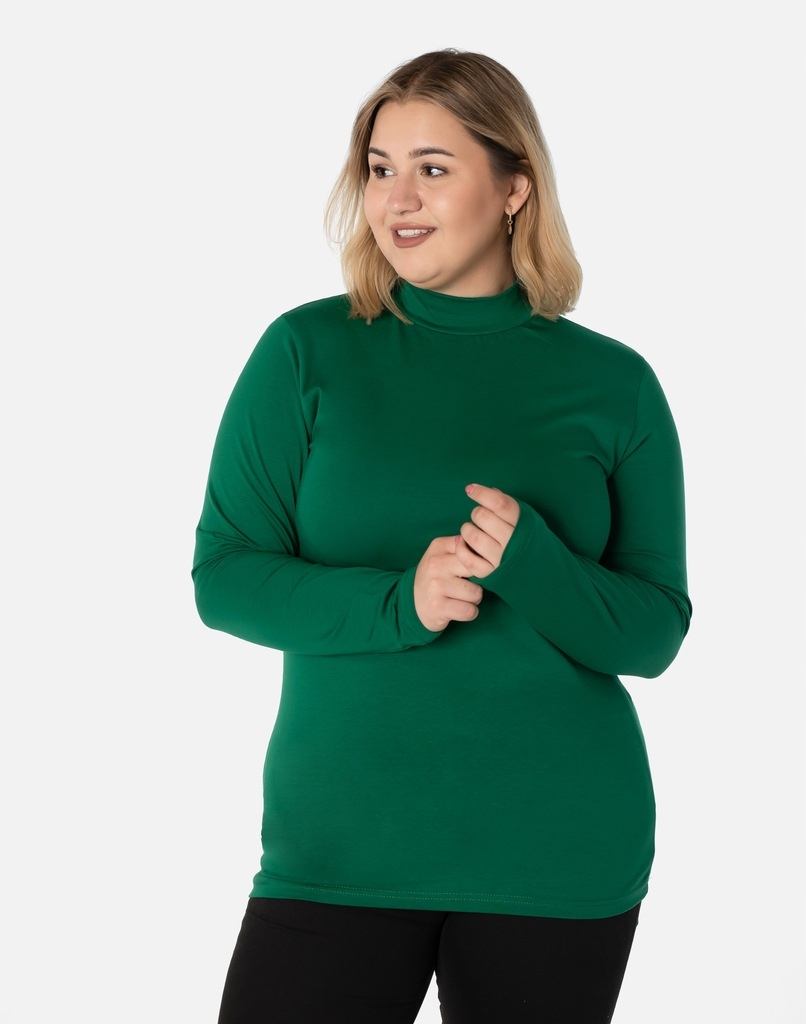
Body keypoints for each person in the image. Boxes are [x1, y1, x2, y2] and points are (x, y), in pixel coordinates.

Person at [191, 47, 693, 1024]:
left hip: (555, 851)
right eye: (380, 168)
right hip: (336, 847)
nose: (397, 199)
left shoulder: (614, 384)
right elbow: (226, 577)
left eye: (433, 167)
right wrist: (399, 601)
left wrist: (535, 564)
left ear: (513, 188)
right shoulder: (306, 350)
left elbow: (654, 633)